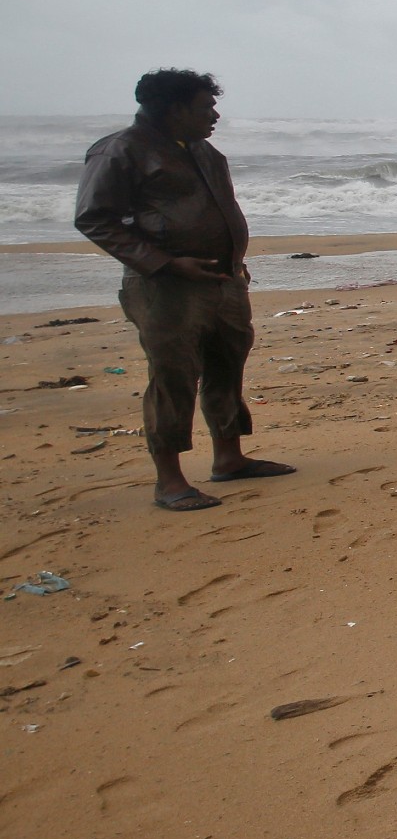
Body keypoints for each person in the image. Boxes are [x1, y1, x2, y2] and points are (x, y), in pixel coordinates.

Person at [73, 69, 296, 511]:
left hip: (224, 280)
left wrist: (234, 262)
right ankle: (170, 481)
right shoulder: (121, 150)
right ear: (175, 110)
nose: (214, 115)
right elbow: (94, 217)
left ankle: (229, 458)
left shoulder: (203, 150)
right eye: (205, 107)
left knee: (226, 366)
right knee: (173, 377)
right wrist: (164, 263)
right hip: (166, 287)